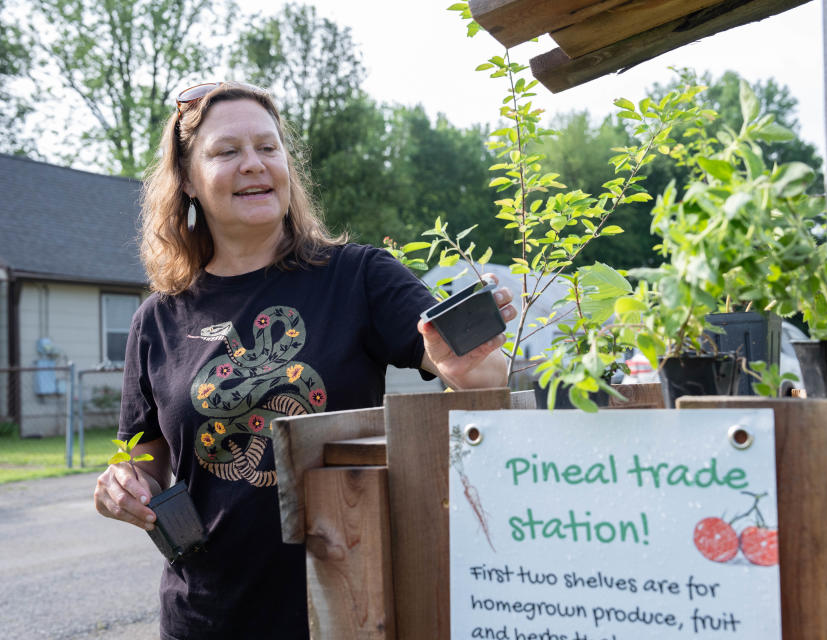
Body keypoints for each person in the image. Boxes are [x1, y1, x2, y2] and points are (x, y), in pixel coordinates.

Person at [93, 81, 515, 639]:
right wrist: (122, 483)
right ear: (189, 181)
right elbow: (143, 455)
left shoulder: (357, 276)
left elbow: (489, 378)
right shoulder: (158, 319)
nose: (254, 164)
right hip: (205, 617)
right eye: (227, 151)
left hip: (345, 606)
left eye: (269, 148)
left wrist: (466, 372)